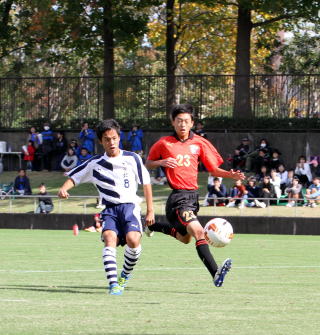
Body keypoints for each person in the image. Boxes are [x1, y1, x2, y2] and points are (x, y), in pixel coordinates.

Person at [145, 103, 244, 288]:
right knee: (199, 232)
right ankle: (216, 273)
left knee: (185, 238)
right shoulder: (164, 143)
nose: (183, 124)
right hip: (178, 199)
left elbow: (213, 169)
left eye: (186, 121)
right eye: (179, 121)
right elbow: (147, 163)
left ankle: (153, 226)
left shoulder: (199, 143)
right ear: (173, 122)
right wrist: (162, 161)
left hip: (192, 198)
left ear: (192, 123)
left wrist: (231, 175)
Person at [58, 119, 155, 296]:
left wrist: (150, 210)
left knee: (134, 241)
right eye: (107, 139)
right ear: (101, 141)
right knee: (110, 238)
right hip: (109, 209)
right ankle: (113, 285)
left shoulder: (132, 158)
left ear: (119, 138)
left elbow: (146, 183)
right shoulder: (94, 163)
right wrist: (64, 188)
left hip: (130, 208)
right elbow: (75, 177)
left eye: (114, 138)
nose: (111, 142)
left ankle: (124, 275)